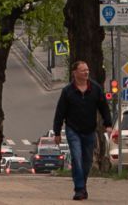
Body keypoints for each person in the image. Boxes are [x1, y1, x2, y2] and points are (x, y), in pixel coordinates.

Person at [52, 59, 112, 200]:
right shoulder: (68, 91)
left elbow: (104, 107)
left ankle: (82, 185)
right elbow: (60, 112)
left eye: (87, 70)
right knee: (77, 158)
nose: (86, 72)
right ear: (75, 73)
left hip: (89, 130)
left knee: (87, 161)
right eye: (83, 70)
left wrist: (108, 124)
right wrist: (56, 132)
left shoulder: (95, 89)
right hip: (73, 130)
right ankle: (79, 189)